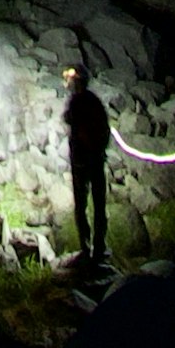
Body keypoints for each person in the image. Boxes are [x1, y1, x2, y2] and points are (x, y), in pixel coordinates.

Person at [61, 58, 112, 270]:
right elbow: (105, 130)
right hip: (96, 161)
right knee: (99, 205)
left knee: (82, 206)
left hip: (82, 162)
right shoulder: (95, 101)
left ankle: (86, 247)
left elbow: (71, 121)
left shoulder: (77, 102)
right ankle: (98, 248)